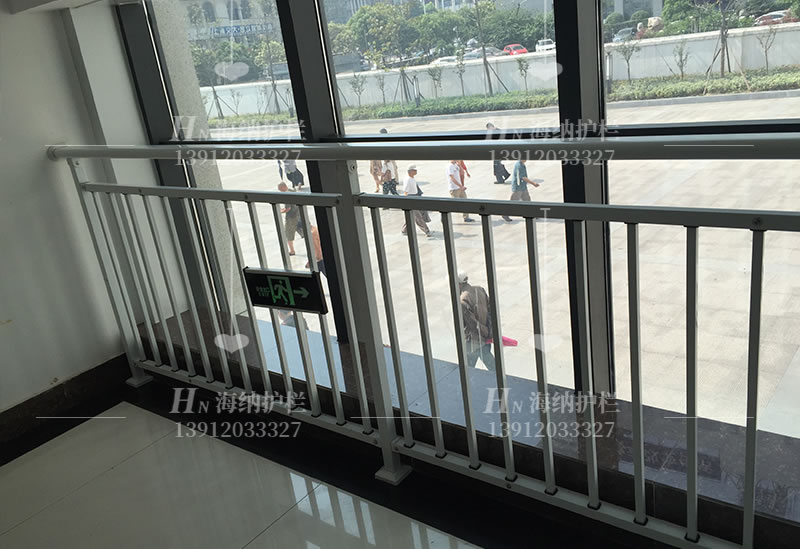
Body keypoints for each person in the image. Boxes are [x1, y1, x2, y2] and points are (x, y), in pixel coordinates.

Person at [458, 272, 495, 371]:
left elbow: (473, 324)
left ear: (458, 284)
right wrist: (489, 332)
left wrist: (486, 333)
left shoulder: (462, 300)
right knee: (489, 365)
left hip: (474, 341)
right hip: (484, 337)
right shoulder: (479, 289)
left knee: (468, 369)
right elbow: (490, 310)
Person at [401, 165, 433, 238]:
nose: (416, 171)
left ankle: (404, 230)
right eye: (415, 170)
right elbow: (405, 191)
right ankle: (426, 231)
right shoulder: (408, 179)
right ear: (411, 171)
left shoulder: (411, 178)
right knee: (418, 217)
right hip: (411, 199)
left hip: (415, 197)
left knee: (412, 216)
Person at [278, 182, 303, 255]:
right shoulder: (292, 191)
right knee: (304, 231)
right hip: (298, 214)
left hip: (291, 218)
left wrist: (281, 211)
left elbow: (288, 208)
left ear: (283, 187)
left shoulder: (286, 195)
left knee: (289, 234)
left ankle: (292, 251)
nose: (280, 191)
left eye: (280, 189)